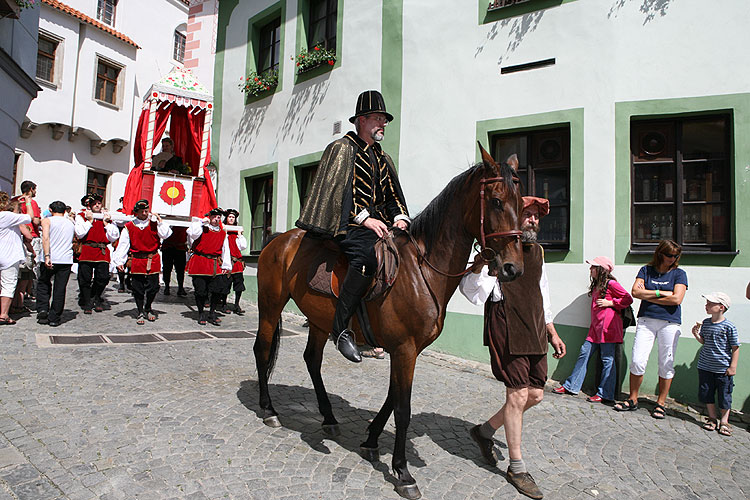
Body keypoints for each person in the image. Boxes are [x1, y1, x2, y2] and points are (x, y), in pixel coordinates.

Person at [460, 196, 566, 500]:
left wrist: (552, 331)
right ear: (514, 218)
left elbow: (542, 293)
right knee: (518, 394)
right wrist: (480, 267)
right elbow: (473, 293)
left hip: (534, 329)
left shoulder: (539, 252)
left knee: (535, 395)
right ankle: (517, 467)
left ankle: (483, 431)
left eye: (536, 216)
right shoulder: (498, 252)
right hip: (506, 324)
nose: (532, 219)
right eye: (527, 214)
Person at [296, 90, 410, 363]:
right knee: (367, 258)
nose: (382, 124)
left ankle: (379, 329)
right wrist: (364, 218)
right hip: (347, 225)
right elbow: (335, 194)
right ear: (361, 120)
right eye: (377, 118)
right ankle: (341, 330)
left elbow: (393, 196)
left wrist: (400, 217)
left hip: (380, 225)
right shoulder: (342, 149)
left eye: (384, 119)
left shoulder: (383, 158)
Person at [614, 239, 687, 418]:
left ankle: (661, 403)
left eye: (676, 256)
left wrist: (648, 296)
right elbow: (636, 292)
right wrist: (661, 293)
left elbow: (677, 299)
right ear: (660, 253)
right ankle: (633, 399)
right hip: (646, 320)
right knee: (638, 360)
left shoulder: (679, 274)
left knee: (666, 364)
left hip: (669, 322)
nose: (673, 258)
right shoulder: (646, 270)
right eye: (670, 255)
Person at [552, 256, 633, 402]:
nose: (590, 269)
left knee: (608, 359)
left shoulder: (611, 284)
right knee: (584, 353)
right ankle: (572, 385)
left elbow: (628, 298)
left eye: (593, 267)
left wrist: (610, 303)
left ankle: (605, 394)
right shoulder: (597, 285)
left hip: (608, 329)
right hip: (595, 329)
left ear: (601, 270)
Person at [111, 199, 172, 324]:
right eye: (142, 211)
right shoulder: (129, 227)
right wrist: (119, 261)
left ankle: (148, 307)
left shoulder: (155, 225)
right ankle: (140, 311)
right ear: (136, 212)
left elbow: (166, 234)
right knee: (137, 288)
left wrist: (160, 221)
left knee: (154, 287)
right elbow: (123, 244)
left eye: (146, 210)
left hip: (152, 258)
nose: (145, 213)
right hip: (137, 259)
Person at [691, 292, 739, 437]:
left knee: (724, 395)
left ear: (721, 307)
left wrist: (732, 366)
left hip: (722, 368)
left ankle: (724, 421)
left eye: (711, 304)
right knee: (707, 393)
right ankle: (712, 417)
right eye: (707, 303)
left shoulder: (729, 326)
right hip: (705, 366)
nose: (707, 306)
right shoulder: (706, 323)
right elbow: (705, 342)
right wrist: (696, 335)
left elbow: (735, 347)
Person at [74, 194, 119, 314]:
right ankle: (88, 300)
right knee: (85, 279)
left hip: (102, 251)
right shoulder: (81, 217)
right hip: (87, 250)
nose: (97, 205)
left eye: (99, 203)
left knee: (103, 277)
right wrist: (89, 221)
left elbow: (114, 236)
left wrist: (106, 223)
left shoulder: (106, 218)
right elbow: (79, 233)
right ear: (90, 205)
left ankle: (95, 296)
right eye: (95, 203)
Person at [185, 208, 231, 325]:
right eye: (214, 216)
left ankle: (212, 312)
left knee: (216, 291)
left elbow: (225, 249)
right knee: (201, 291)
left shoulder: (222, 232)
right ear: (209, 217)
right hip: (200, 262)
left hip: (214, 264)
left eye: (219, 217)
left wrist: (226, 265)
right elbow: (191, 233)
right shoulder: (201, 228)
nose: (217, 218)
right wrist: (201, 222)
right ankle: (201, 313)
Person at [37, 201, 75, 327]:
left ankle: (42, 309)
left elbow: (45, 237)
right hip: (65, 259)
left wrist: (47, 256)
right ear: (64, 211)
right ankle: (54, 317)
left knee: (43, 283)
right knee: (60, 288)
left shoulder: (47, 220)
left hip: (50, 257)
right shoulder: (70, 222)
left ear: (50, 210)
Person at [0, 192, 33, 324]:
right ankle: (3, 314)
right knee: (8, 284)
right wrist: (28, 202)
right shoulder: (6, 216)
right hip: (8, 255)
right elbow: (30, 217)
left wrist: (15, 200)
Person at [220, 208, 247, 315]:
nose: (231, 219)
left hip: (237, 263)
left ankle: (236, 305)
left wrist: (240, 235)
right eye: (229, 217)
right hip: (227, 262)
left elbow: (243, 246)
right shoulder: (223, 231)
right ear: (226, 218)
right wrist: (224, 233)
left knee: (239, 286)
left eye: (233, 217)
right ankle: (224, 304)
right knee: (226, 285)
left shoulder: (237, 233)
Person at [17, 180, 41, 289]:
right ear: (31, 189)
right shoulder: (32, 202)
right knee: (30, 267)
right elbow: (35, 220)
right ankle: (26, 293)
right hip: (31, 235)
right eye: (35, 189)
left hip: (17, 235)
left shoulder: (15, 200)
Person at [161, 225, 188, 296]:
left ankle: (180, 287)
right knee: (167, 268)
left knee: (180, 269)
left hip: (180, 248)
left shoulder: (185, 221)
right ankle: (167, 286)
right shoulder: (167, 220)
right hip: (168, 247)